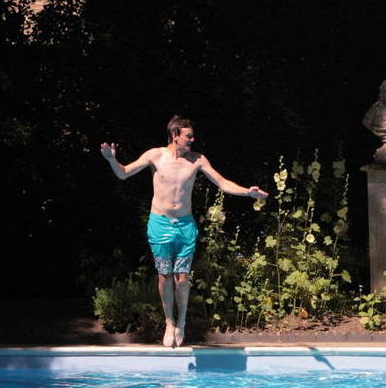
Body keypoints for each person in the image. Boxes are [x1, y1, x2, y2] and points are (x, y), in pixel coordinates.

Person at [100, 116, 268, 347]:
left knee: (182, 277)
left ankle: (181, 320)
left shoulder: (197, 160)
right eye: (188, 136)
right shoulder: (155, 156)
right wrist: (111, 159)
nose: (192, 139)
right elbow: (124, 173)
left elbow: (221, 182)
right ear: (174, 135)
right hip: (160, 224)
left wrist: (247, 193)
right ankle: (169, 322)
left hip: (185, 225)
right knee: (164, 275)